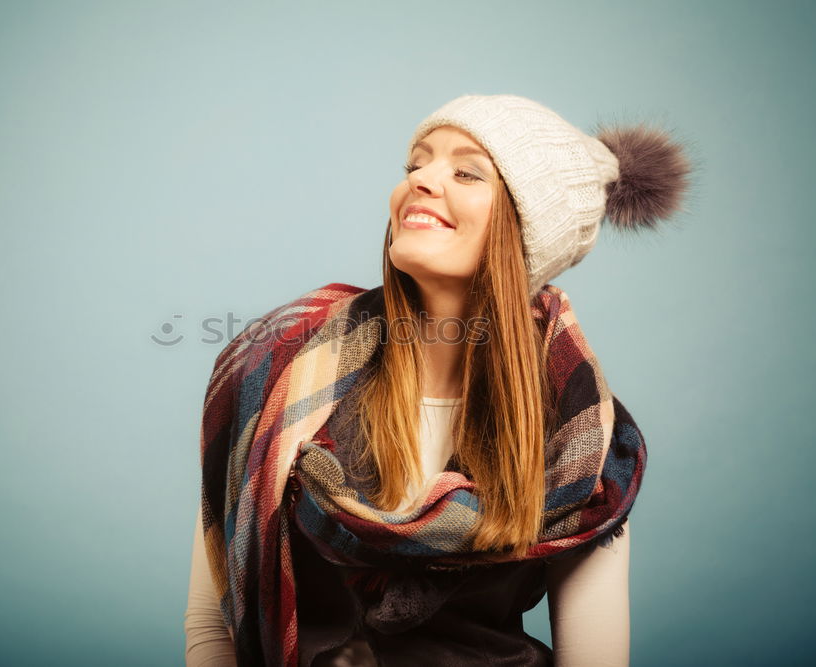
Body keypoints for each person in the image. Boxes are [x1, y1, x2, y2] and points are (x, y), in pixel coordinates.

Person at [185, 94, 691, 666]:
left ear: (528, 230)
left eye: (466, 171)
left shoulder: (587, 439)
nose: (421, 180)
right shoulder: (276, 374)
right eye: (415, 164)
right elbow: (214, 622)